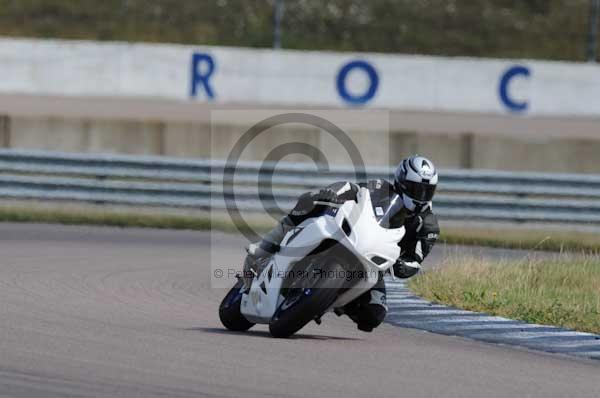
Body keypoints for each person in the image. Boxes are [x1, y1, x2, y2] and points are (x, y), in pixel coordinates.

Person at [243, 155, 440, 332]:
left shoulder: (428, 227)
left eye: (426, 191)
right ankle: (266, 246)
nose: (420, 196)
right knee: (309, 201)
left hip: (374, 264)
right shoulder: (381, 187)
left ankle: (334, 300)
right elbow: (352, 188)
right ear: (402, 181)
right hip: (349, 235)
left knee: (373, 315)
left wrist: (402, 265)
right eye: (416, 189)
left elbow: (416, 261)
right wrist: (333, 192)